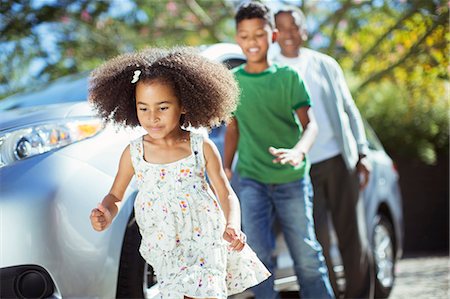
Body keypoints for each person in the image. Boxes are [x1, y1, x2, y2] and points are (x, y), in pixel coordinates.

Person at [88, 47, 270, 299]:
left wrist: (232, 225)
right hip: (165, 246)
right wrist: (106, 212)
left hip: (206, 238)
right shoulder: (134, 152)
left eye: (162, 108)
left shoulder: (200, 146)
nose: (152, 117)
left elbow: (225, 194)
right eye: (143, 108)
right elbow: (116, 195)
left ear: (183, 105)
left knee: (206, 294)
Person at [224, 2, 334, 299]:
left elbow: (310, 126)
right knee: (258, 258)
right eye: (244, 36)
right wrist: (226, 167)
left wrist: (298, 151)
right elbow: (233, 129)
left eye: (258, 34)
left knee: (307, 256)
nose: (252, 42)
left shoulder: (288, 77)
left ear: (271, 36)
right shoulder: (233, 84)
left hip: (292, 178)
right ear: (237, 38)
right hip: (251, 180)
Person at [273, 6, 375, 299]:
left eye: (295, 27)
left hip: (338, 161)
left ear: (304, 30)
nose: (290, 34)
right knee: (316, 242)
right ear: (275, 34)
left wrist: (362, 152)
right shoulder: (272, 68)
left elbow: (350, 110)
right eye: (282, 29)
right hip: (301, 168)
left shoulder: (325, 64)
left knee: (352, 238)